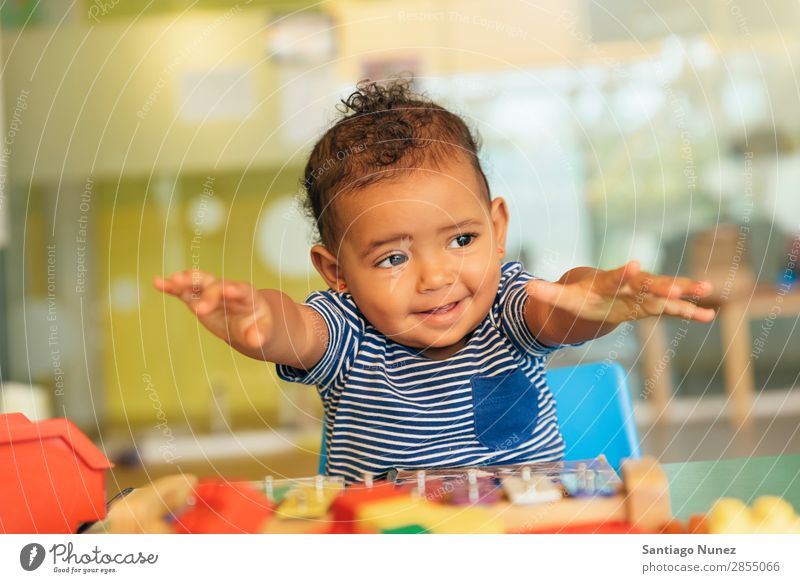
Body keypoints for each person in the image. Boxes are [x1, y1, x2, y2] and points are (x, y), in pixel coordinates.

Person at [154, 78, 715, 483]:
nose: (437, 276)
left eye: (461, 240)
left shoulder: (504, 305)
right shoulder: (348, 332)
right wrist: (261, 319)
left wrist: (598, 300)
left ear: (497, 229)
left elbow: (559, 306)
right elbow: (296, 330)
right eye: (393, 259)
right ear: (337, 273)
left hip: (530, 539)